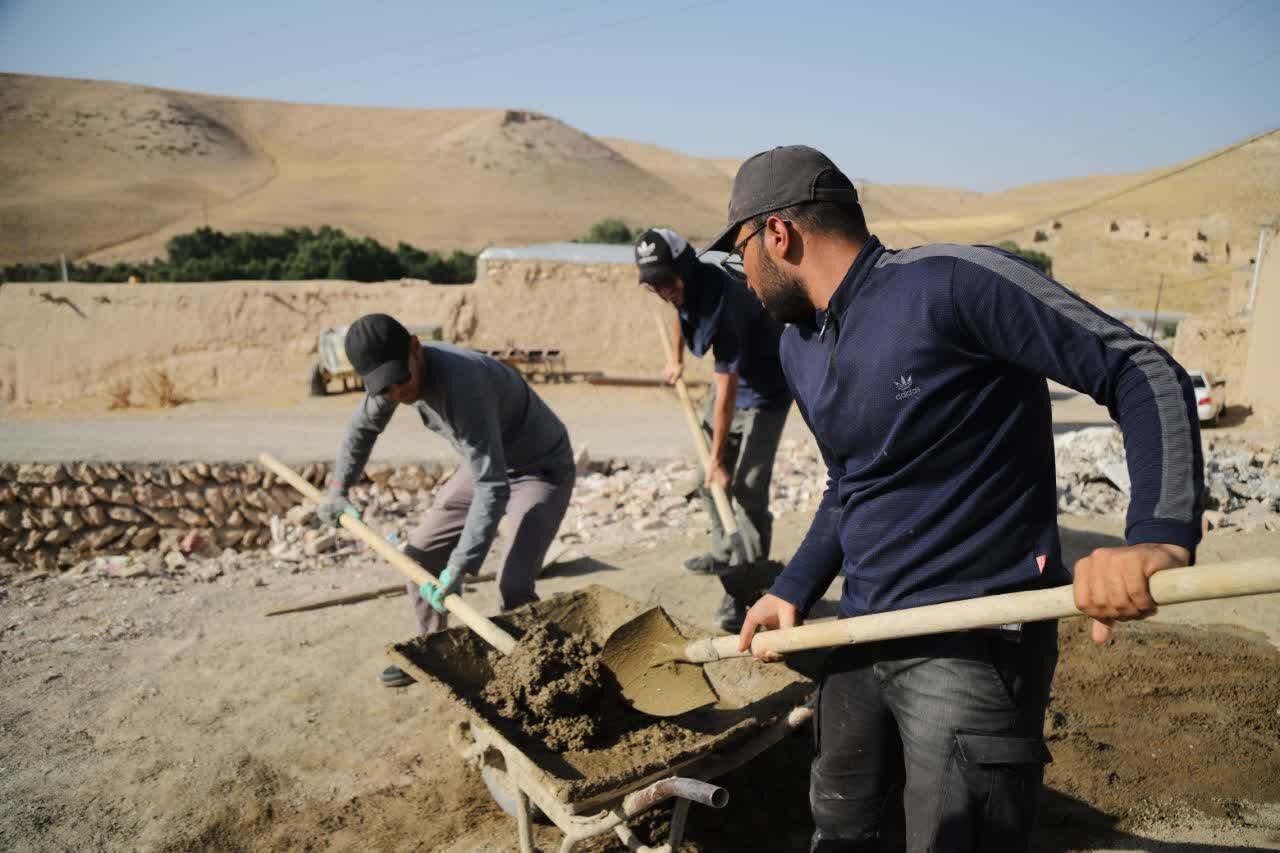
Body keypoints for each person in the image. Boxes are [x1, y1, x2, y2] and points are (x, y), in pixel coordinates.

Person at [706, 146, 1203, 851]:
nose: (744, 278)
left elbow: (1138, 367)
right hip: (860, 633)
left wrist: (1156, 531)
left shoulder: (951, 284)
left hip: (974, 640)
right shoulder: (799, 347)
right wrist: (793, 585)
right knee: (842, 832)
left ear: (778, 236)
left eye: (742, 250)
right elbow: (851, 482)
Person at [318, 313, 576, 687]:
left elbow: (493, 487)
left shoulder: (463, 386)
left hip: (539, 468)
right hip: (486, 461)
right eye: (385, 388)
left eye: (401, 380)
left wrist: (459, 568)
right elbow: (361, 430)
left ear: (416, 348)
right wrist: (338, 489)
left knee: (514, 582)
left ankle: (538, 670)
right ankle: (432, 652)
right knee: (419, 556)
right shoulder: (391, 381)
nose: (397, 393)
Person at [633, 226, 793, 632]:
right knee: (708, 484)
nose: (664, 291)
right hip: (732, 390)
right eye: (655, 286)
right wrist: (676, 361)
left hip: (765, 394)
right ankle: (725, 556)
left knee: (746, 491)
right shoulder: (683, 287)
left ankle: (747, 591)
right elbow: (679, 314)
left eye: (667, 282)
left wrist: (718, 458)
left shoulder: (728, 300)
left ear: (684, 268)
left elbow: (726, 390)